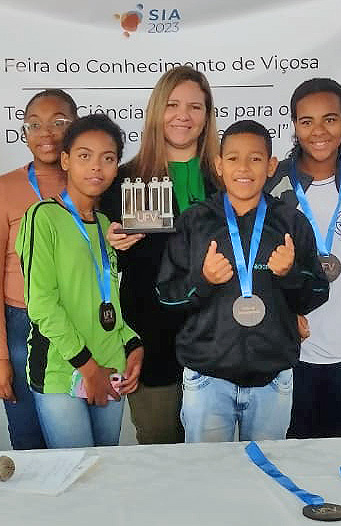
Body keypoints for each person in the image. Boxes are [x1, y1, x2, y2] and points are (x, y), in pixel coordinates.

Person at [157, 120, 329, 442]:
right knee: (208, 478)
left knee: (266, 476)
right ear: (219, 165)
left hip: (273, 378)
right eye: (233, 158)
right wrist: (204, 281)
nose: (244, 167)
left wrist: (289, 274)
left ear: (271, 165)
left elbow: (317, 293)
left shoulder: (291, 221)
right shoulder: (195, 221)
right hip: (207, 378)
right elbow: (167, 297)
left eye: (255, 158)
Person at [100, 66, 217, 444]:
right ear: (155, 111)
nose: (183, 115)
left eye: (195, 107)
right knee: (159, 452)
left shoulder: (227, 179)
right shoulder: (121, 181)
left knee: (217, 459)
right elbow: (86, 254)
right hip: (150, 340)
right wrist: (105, 238)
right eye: (173, 104)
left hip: (219, 339)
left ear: (207, 115)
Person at [18, 114, 144, 448]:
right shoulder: (42, 217)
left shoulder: (108, 226)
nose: (96, 167)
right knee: (75, 474)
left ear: (117, 167)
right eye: (85, 156)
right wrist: (88, 368)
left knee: (106, 473)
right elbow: (42, 305)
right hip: (63, 371)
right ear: (65, 160)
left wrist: (133, 347)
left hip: (111, 366)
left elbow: (109, 303)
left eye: (108, 158)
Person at [266, 78, 341, 438]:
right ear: (294, 126)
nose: (318, 131)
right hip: (296, 349)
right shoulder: (276, 184)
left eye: (329, 119)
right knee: (296, 452)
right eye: (306, 121)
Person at [0, 89, 77, 450]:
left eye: (58, 122)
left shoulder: (92, 182)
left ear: (77, 125)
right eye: (34, 125)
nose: (46, 133)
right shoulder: (2, 188)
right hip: (22, 325)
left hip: (81, 324)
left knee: (76, 444)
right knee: (29, 441)